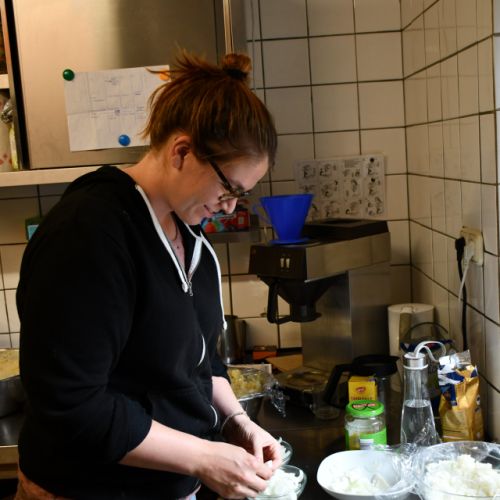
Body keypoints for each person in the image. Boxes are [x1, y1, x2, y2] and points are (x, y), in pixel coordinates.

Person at [15, 51, 281, 499]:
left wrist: (237, 421)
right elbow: (72, 405)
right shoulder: (88, 233)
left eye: (242, 195)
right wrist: (203, 457)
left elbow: (200, 362)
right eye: (229, 189)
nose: (231, 207)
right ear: (182, 152)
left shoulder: (187, 235)